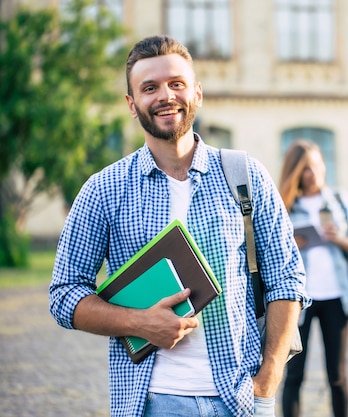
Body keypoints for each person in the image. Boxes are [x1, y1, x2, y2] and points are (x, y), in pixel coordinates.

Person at [49, 35, 310, 417]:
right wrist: (140, 322)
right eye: (149, 88)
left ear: (197, 94)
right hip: (152, 400)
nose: (165, 96)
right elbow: (64, 294)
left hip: (241, 398)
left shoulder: (245, 175)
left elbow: (287, 278)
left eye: (176, 84)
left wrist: (268, 378)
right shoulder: (103, 189)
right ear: (131, 103)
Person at [278, 140, 348, 417]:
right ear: (296, 172)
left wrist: (339, 239)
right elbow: (269, 250)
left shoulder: (340, 200)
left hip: (336, 298)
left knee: (337, 376)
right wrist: (291, 242)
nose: (313, 174)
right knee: (294, 375)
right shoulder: (284, 206)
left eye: (317, 166)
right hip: (298, 301)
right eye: (306, 169)